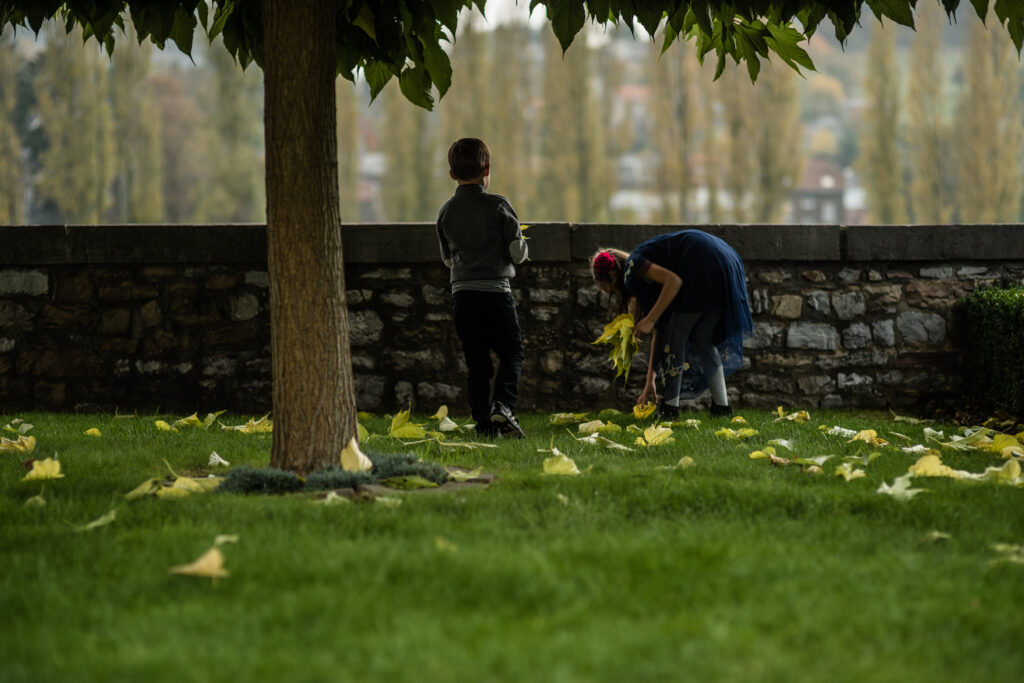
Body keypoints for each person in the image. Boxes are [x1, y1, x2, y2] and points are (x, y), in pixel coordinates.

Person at [590, 230, 753, 420]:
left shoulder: (632, 268)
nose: (614, 294)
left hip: (703, 262)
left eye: (609, 290)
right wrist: (650, 380)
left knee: (675, 339)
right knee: (703, 340)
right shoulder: (644, 267)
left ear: (612, 274)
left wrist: (650, 319)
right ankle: (722, 409)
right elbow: (659, 329)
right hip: (725, 262)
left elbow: (673, 281)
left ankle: (669, 409)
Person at [436, 138, 528, 438]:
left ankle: (483, 423)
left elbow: (447, 259)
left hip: (463, 296)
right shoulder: (498, 205)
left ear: (452, 174)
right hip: (496, 294)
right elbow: (517, 253)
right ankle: (503, 405)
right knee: (512, 351)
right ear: (487, 169)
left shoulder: (446, 212)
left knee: (477, 362)